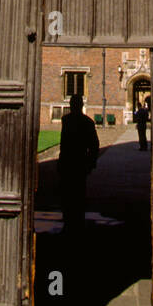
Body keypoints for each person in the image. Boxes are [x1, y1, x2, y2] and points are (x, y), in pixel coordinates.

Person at [57, 92, 99, 235]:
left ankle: (70, 222)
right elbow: (94, 146)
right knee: (76, 193)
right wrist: (91, 162)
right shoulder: (86, 122)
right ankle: (74, 222)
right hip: (77, 163)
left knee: (69, 193)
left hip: (70, 162)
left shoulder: (67, 120)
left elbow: (65, 144)